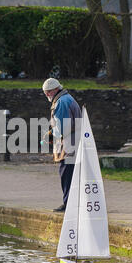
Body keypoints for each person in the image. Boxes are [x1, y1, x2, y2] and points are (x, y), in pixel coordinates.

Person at [42, 78, 82, 212]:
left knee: (67, 174)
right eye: (45, 92)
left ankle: (68, 204)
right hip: (72, 143)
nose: (47, 94)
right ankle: (72, 203)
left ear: (55, 89)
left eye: (48, 91)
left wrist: (51, 134)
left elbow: (63, 126)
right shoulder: (66, 98)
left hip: (69, 146)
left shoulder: (61, 102)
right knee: (69, 174)